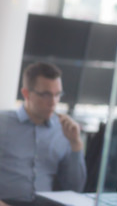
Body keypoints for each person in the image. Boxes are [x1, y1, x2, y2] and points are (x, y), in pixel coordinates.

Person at [0, 62, 87, 204]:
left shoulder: (63, 130)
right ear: (26, 93)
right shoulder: (2, 123)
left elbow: (74, 188)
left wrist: (75, 144)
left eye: (57, 94)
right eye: (46, 95)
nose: (53, 102)